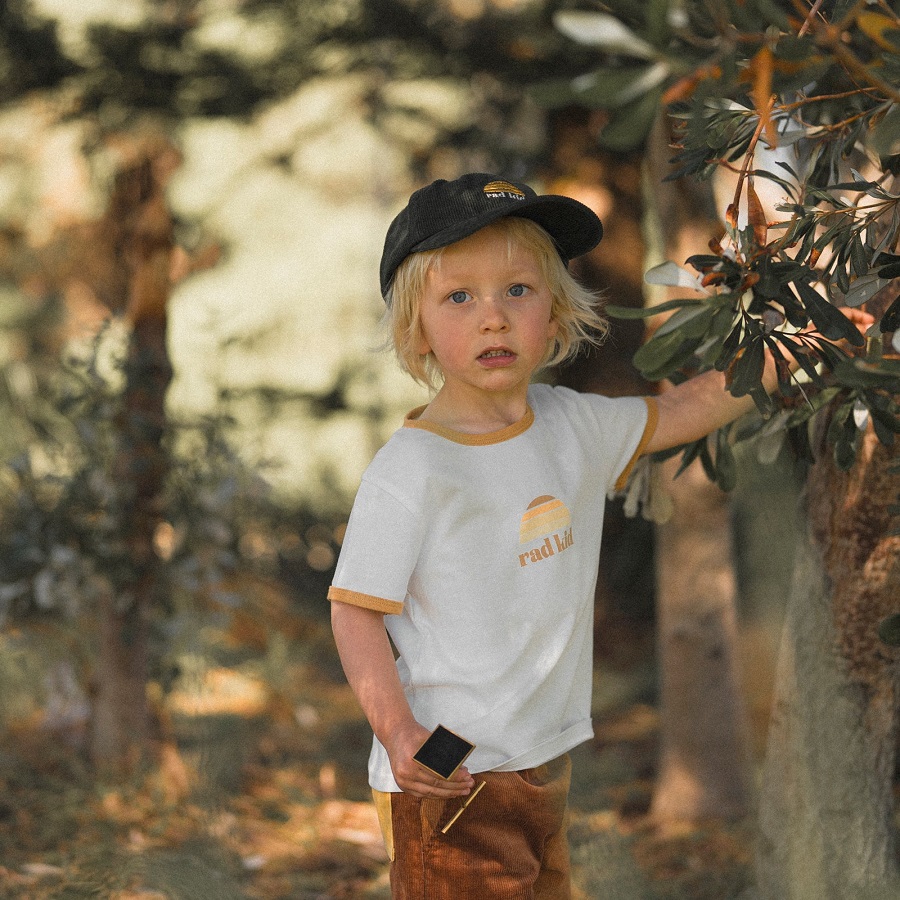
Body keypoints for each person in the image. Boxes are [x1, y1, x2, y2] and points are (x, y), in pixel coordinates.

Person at [326, 172, 864, 899]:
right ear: (415, 327)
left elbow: (686, 410)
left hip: (542, 758)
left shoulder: (572, 426)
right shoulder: (413, 469)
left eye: (518, 290)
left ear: (554, 313)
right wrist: (395, 730)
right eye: (460, 297)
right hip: (448, 777)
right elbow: (356, 608)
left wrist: (800, 346)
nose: (493, 317)